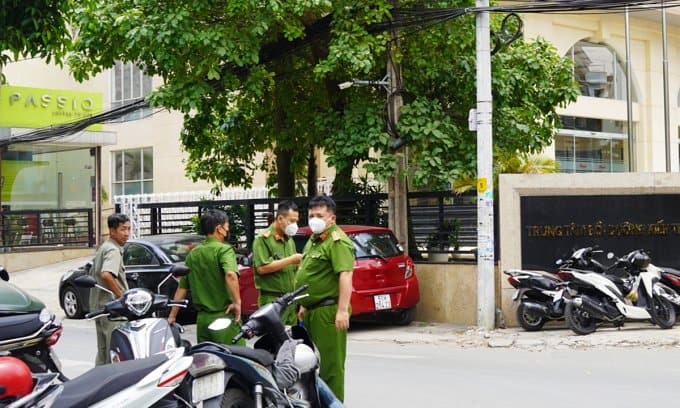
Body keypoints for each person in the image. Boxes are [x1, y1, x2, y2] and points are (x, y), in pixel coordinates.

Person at [295, 195, 354, 402]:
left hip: (328, 311)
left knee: (331, 368)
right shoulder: (314, 240)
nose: (314, 219)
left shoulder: (337, 241)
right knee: (310, 366)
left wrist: (342, 310)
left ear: (332, 219)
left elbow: (345, 275)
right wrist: (304, 304)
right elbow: (311, 273)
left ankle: (335, 404)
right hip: (312, 311)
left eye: (319, 215)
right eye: (311, 215)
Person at [167, 209, 244, 345]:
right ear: (219, 229)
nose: (227, 230)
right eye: (226, 227)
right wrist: (237, 302)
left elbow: (182, 288)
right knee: (235, 356)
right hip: (224, 317)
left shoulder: (193, 254)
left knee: (207, 356)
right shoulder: (224, 250)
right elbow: (230, 274)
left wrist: (172, 316)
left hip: (202, 321)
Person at [89, 213, 131, 366]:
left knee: (103, 353)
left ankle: (98, 378)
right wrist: (122, 298)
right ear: (112, 231)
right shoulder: (113, 250)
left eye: (128, 229)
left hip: (101, 308)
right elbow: (106, 274)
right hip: (113, 311)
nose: (127, 233)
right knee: (115, 353)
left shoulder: (105, 247)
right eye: (123, 229)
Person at [252, 201, 302, 325]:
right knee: (273, 336)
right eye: (291, 221)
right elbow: (261, 268)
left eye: (296, 221)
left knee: (291, 335)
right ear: (280, 219)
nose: (294, 225)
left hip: (290, 299)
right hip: (273, 300)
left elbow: (294, 268)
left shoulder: (289, 240)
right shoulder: (263, 239)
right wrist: (291, 260)